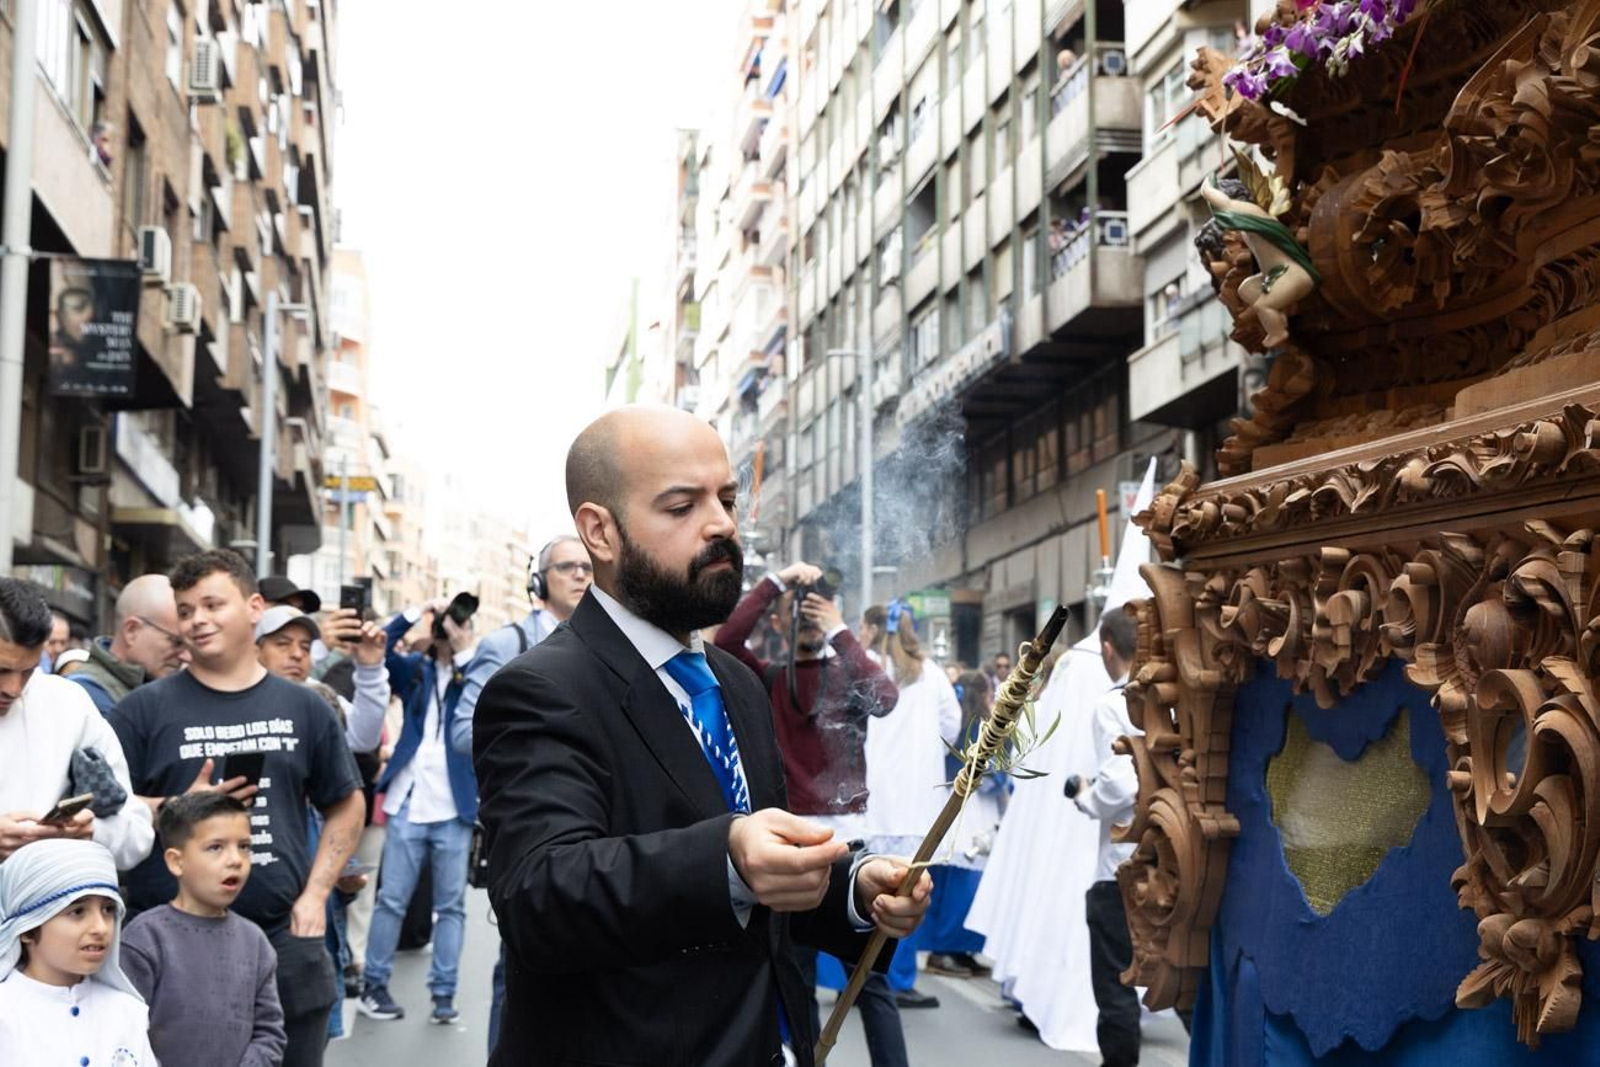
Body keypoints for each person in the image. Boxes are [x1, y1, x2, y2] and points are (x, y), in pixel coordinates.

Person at [473, 405, 931, 1067]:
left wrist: (854, 892)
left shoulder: (735, 683)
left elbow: (759, 880)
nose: (719, 523)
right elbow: (540, 895)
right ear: (600, 531)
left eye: (726, 498)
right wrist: (730, 855)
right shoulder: (542, 689)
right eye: (682, 505)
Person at [110, 549, 365, 1067]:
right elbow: (107, 814)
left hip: (284, 941)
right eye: (185, 610)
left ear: (253, 606)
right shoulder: (141, 710)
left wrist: (316, 895)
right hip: (169, 949)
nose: (197, 620)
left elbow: (346, 801)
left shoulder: (305, 707)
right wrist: (175, 806)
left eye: (212, 604)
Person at [714, 558, 910, 1065]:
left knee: (869, 980)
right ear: (779, 621)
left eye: (812, 614)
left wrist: (839, 629)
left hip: (850, 839)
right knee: (793, 976)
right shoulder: (770, 678)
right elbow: (727, 642)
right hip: (793, 840)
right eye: (795, 614)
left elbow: (886, 698)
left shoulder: (845, 674)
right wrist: (775, 583)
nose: (804, 620)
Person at [453, 533, 593, 1053]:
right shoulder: (506, 645)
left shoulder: (614, 648)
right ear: (539, 582)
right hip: (529, 832)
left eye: (587, 567)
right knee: (519, 963)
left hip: (598, 832)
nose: (581, 576)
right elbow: (465, 728)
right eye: (566, 568)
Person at [356, 594, 478, 1025]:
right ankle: (374, 984)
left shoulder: (476, 670)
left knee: (452, 907)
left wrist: (462, 651)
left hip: (455, 807)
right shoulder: (416, 671)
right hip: (409, 801)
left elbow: (486, 705)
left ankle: (443, 995)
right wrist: (418, 611)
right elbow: (379, 650)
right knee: (391, 900)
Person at [122, 792, 287, 1067]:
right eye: (216, 847)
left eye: (244, 846)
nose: (236, 859)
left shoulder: (254, 941)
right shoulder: (145, 939)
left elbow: (269, 1032)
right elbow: (123, 1034)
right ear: (176, 861)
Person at [0, 578, 154, 869]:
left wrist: (92, 831)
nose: (13, 688)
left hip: (51, 905)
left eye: (28, 671)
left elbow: (136, 833)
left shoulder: (68, 704)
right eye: (2, 670)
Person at [858, 601, 961, 1010]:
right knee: (910, 890)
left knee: (864, 886)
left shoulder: (864, 664)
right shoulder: (932, 673)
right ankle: (898, 980)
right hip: (918, 801)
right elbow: (951, 727)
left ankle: (862, 975)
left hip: (873, 796)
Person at [0, 838, 158, 1064]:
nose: (101, 928)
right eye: (77, 912)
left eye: (108, 910)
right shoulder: (5, 1013)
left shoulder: (127, 1011)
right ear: (26, 928)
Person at [1068, 608, 1142, 1067]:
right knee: (1184, 980)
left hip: (1120, 864)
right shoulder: (1176, 697)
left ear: (1108, 647)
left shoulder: (1114, 704)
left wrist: (1085, 796)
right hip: (1176, 859)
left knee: (1116, 985)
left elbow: (1121, 785)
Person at [919, 670, 1007, 980]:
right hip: (974, 813)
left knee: (947, 885)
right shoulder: (983, 728)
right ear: (984, 695)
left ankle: (951, 949)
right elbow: (990, 777)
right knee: (965, 888)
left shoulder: (953, 728)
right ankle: (948, 950)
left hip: (949, 807)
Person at [70, 573, 191, 715]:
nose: (185, 655)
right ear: (132, 631)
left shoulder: (159, 691)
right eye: (176, 642)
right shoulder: (84, 696)